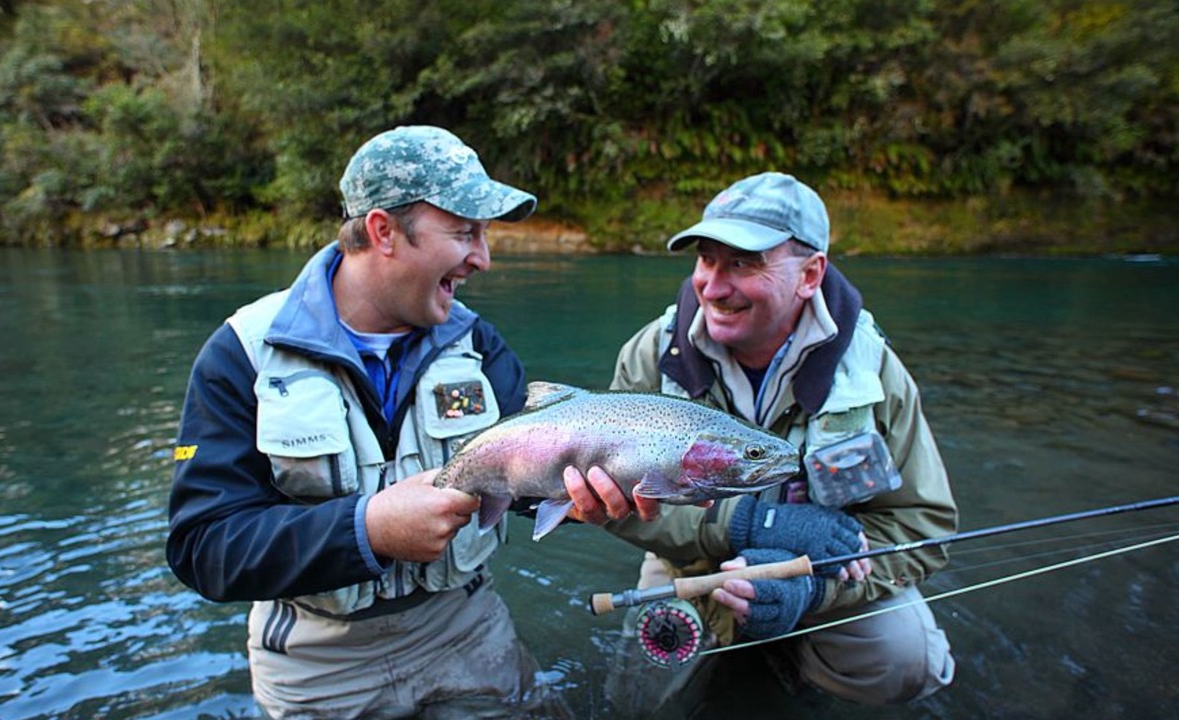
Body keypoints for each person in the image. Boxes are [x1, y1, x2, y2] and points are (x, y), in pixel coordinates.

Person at [165, 125, 569, 719]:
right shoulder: (241, 354)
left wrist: (580, 488)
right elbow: (204, 547)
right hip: (316, 664)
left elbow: (522, 487)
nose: (483, 257)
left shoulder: (481, 345)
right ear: (382, 232)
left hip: (464, 629)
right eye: (464, 232)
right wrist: (367, 529)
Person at [566, 172, 958, 716]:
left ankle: (793, 653)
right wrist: (743, 526)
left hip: (827, 577)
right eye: (706, 259)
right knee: (635, 704)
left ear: (810, 274)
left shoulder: (873, 371)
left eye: (743, 263)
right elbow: (615, 502)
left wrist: (814, 592)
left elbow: (922, 526)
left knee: (905, 658)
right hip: (689, 570)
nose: (713, 285)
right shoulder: (652, 356)